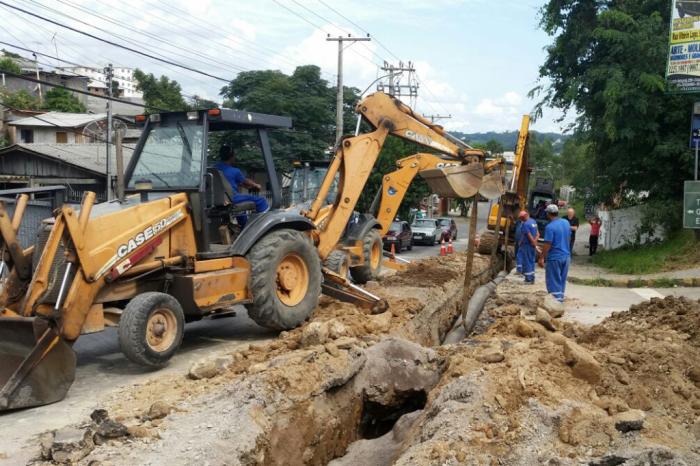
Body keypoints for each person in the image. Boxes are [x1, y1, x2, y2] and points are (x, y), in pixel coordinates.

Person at [214, 145, 269, 227]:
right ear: (231, 157)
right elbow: (245, 181)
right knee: (261, 200)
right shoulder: (235, 171)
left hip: (217, 199)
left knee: (241, 209)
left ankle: (243, 226)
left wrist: (243, 185)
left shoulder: (214, 168)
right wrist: (256, 185)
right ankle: (262, 226)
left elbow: (229, 181)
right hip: (231, 198)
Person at [540, 204, 571, 302]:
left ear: (548, 214)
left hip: (554, 258)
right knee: (561, 281)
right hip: (566, 257)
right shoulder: (566, 223)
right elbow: (568, 237)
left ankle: (555, 304)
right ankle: (560, 300)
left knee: (553, 281)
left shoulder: (550, 227)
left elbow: (547, 244)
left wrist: (542, 257)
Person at [516, 210, 539, 284]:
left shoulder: (525, 224)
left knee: (527, 262)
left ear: (524, 217)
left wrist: (532, 242)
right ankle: (532, 278)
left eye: (521, 218)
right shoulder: (533, 221)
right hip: (532, 245)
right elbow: (538, 234)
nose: (521, 219)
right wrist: (535, 242)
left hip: (527, 245)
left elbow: (528, 235)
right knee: (532, 261)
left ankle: (528, 279)